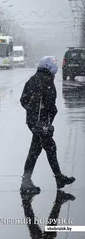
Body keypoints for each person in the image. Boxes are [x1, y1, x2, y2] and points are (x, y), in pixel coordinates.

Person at [19, 56, 75, 194]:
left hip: (33, 122)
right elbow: (50, 104)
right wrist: (45, 116)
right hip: (41, 123)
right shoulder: (46, 81)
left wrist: (32, 111)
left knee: (39, 149)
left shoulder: (33, 79)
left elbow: (23, 99)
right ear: (50, 68)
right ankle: (29, 182)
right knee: (44, 149)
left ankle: (53, 178)